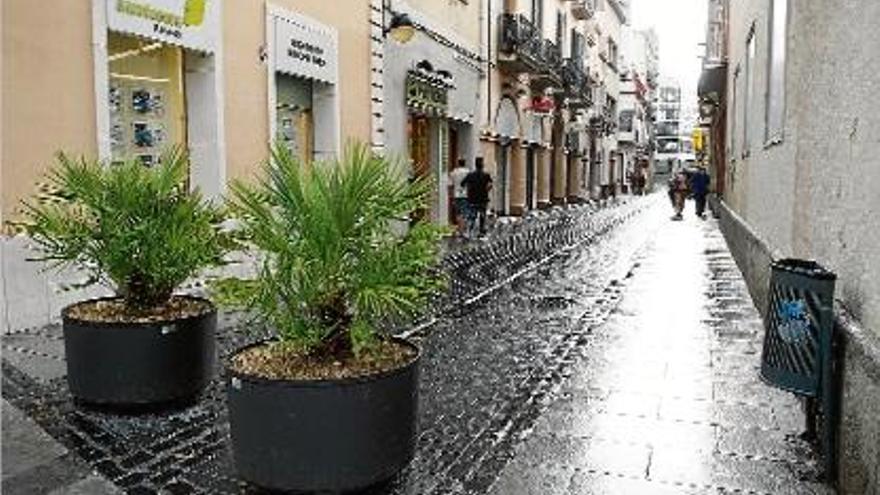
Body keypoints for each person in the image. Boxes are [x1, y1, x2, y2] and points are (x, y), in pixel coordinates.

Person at [461, 157, 492, 236]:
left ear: (475, 165)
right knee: (482, 214)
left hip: (472, 198)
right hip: (483, 198)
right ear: (482, 165)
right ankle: (481, 230)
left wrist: (469, 188)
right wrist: (486, 190)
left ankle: (470, 229)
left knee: (472, 215)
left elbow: (462, 184)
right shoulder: (486, 175)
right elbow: (490, 185)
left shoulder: (470, 175)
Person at [448, 159, 470, 236]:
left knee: (458, 213)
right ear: (465, 163)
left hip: (456, 195)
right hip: (466, 195)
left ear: (458, 163)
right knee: (465, 213)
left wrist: (451, 195)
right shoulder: (468, 172)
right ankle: (464, 230)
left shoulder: (453, 172)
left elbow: (450, 185)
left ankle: (460, 230)